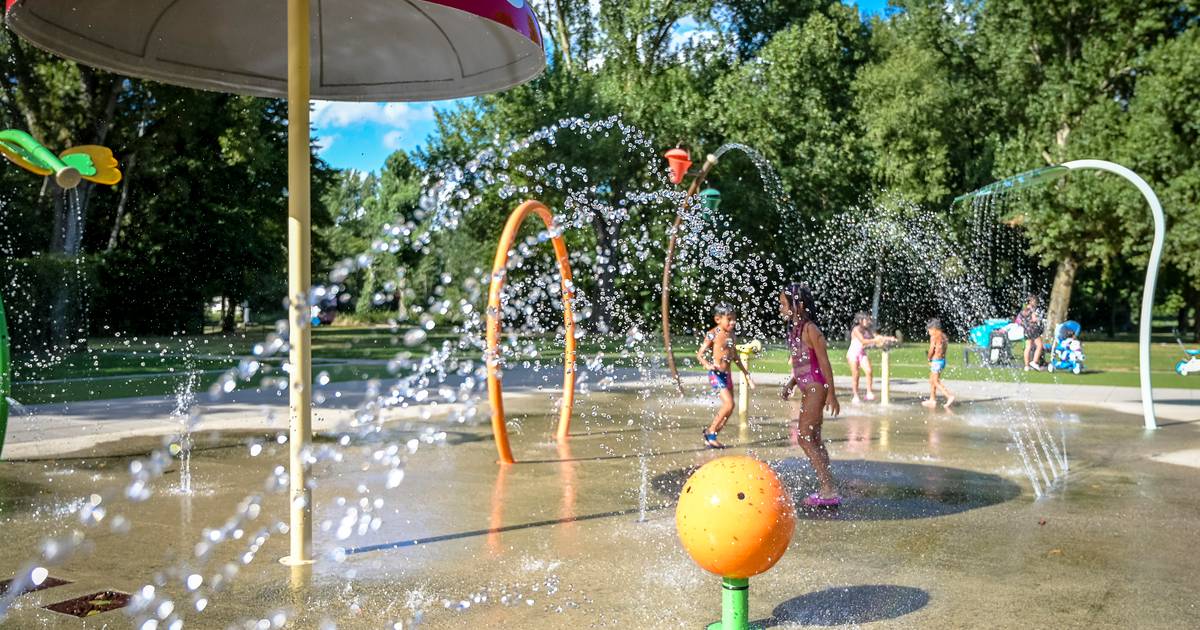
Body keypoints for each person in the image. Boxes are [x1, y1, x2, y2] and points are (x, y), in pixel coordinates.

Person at [778, 284, 841, 507]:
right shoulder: (796, 329)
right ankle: (829, 486)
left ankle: (828, 489)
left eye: (784, 304)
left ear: (800, 306)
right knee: (813, 438)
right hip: (808, 387)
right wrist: (791, 383)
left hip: (817, 388)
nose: (780, 308)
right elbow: (803, 362)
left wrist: (832, 394)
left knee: (804, 436)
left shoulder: (810, 329)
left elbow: (824, 363)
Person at [696, 303, 755, 448]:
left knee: (731, 406)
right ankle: (710, 432)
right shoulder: (712, 334)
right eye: (729, 319)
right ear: (718, 319)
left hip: (727, 375)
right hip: (715, 374)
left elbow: (734, 356)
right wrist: (707, 364)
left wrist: (746, 373)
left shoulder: (732, 335)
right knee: (728, 404)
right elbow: (700, 354)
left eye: (734, 319)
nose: (733, 322)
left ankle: (712, 435)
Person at [845, 312, 897, 404]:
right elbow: (863, 341)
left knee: (869, 371)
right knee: (856, 374)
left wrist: (889, 338)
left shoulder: (868, 330)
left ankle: (869, 393)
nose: (868, 321)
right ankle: (855, 395)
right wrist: (875, 340)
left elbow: (877, 337)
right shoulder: (856, 330)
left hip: (862, 353)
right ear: (860, 321)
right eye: (866, 319)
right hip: (853, 354)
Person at [922, 318, 955, 408]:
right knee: (932, 380)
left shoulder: (934, 336)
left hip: (936, 361)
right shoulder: (943, 336)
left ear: (934, 328)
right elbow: (941, 349)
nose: (928, 332)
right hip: (942, 361)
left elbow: (931, 349)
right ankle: (932, 399)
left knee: (935, 381)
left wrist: (929, 358)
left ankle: (949, 396)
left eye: (929, 330)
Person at [1015, 294, 1045, 371]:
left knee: (1028, 347)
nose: (1036, 303)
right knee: (1040, 345)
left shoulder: (1023, 309)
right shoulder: (1032, 309)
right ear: (1031, 301)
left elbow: (1018, 321)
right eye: (1035, 301)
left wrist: (1025, 324)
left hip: (1026, 330)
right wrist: (1039, 319)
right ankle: (1034, 362)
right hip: (1033, 329)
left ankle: (1026, 366)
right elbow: (1034, 319)